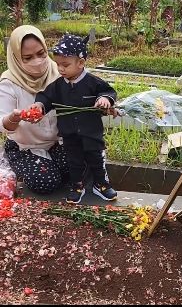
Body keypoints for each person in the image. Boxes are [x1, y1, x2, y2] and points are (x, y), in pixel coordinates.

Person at [24, 33, 118, 204]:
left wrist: (105, 99)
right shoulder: (59, 85)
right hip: (69, 133)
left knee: (96, 158)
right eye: (58, 64)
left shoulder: (92, 82)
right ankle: (77, 186)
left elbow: (109, 91)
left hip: (91, 132)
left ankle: (101, 184)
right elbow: (45, 97)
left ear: (81, 63)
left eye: (65, 65)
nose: (60, 69)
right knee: (74, 161)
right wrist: (39, 106)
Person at [0, 25, 69, 194]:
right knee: (45, 182)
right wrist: (14, 118)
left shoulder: (59, 72)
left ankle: (55, 165)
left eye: (41, 53)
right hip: (25, 146)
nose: (37, 61)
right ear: (16, 58)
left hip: (57, 143)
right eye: (28, 57)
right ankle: (17, 161)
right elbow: (2, 122)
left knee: (81, 168)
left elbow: (85, 88)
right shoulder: (9, 83)